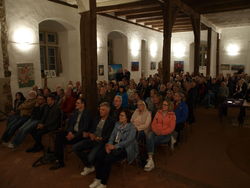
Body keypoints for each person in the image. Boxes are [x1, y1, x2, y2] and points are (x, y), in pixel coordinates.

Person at [89, 109, 138, 188]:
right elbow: (112, 136)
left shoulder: (132, 128)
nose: (120, 117)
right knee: (99, 155)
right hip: (113, 146)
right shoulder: (117, 124)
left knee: (107, 159)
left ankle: (103, 183)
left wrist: (114, 146)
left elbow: (128, 141)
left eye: (122, 115)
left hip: (125, 149)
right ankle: (98, 178)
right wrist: (109, 144)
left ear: (127, 117)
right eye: (120, 115)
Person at [73, 102, 116, 176]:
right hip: (92, 139)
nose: (100, 111)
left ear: (107, 111)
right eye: (100, 109)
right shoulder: (96, 118)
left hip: (101, 143)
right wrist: (89, 133)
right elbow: (91, 128)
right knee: (75, 147)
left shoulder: (111, 121)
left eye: (103, 110)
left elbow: (109, 136)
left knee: (90, 158)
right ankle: (90, 166)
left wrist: (98, 138)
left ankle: (90, 165)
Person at [49, 98, 91, 170]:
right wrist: (70, 132)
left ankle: (58, 160)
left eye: (78, 103)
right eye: (76, 103)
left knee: (59, 140)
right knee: (59, 135)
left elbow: (84, 128)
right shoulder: (75, 112)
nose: (76, 104)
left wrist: (74, 135)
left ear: (83, 104)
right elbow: (71, 124)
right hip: (72, 133)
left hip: (80, 135)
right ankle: (59, 159)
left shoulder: (87, 113)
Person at [144, 100, 176, 172]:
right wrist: (155, 131)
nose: (163, 106)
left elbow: (171, 128)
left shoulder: (172, 115)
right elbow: (153, 124)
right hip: (156, 132)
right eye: (163, 104)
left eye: (166, 105)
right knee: (149, 135)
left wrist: (161, 132)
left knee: (150, 140)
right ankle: (151, 159)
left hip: (166, 134)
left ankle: (149, 159)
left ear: (169, 106)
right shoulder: (158, 112)